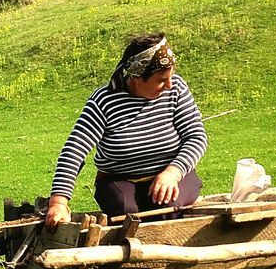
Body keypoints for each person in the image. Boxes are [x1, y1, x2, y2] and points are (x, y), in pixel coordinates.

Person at [44, 33, 208, 229]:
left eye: (170, 76)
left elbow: (196, 137)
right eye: (160, 80)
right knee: (127, 215)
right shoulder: (104, 101)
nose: (169, 85)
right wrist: (58, 203)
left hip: (172, 174)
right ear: (137, 78)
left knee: (167, 209)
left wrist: (173, 172)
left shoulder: (176, 89)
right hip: (120, 179)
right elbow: (75, 149)